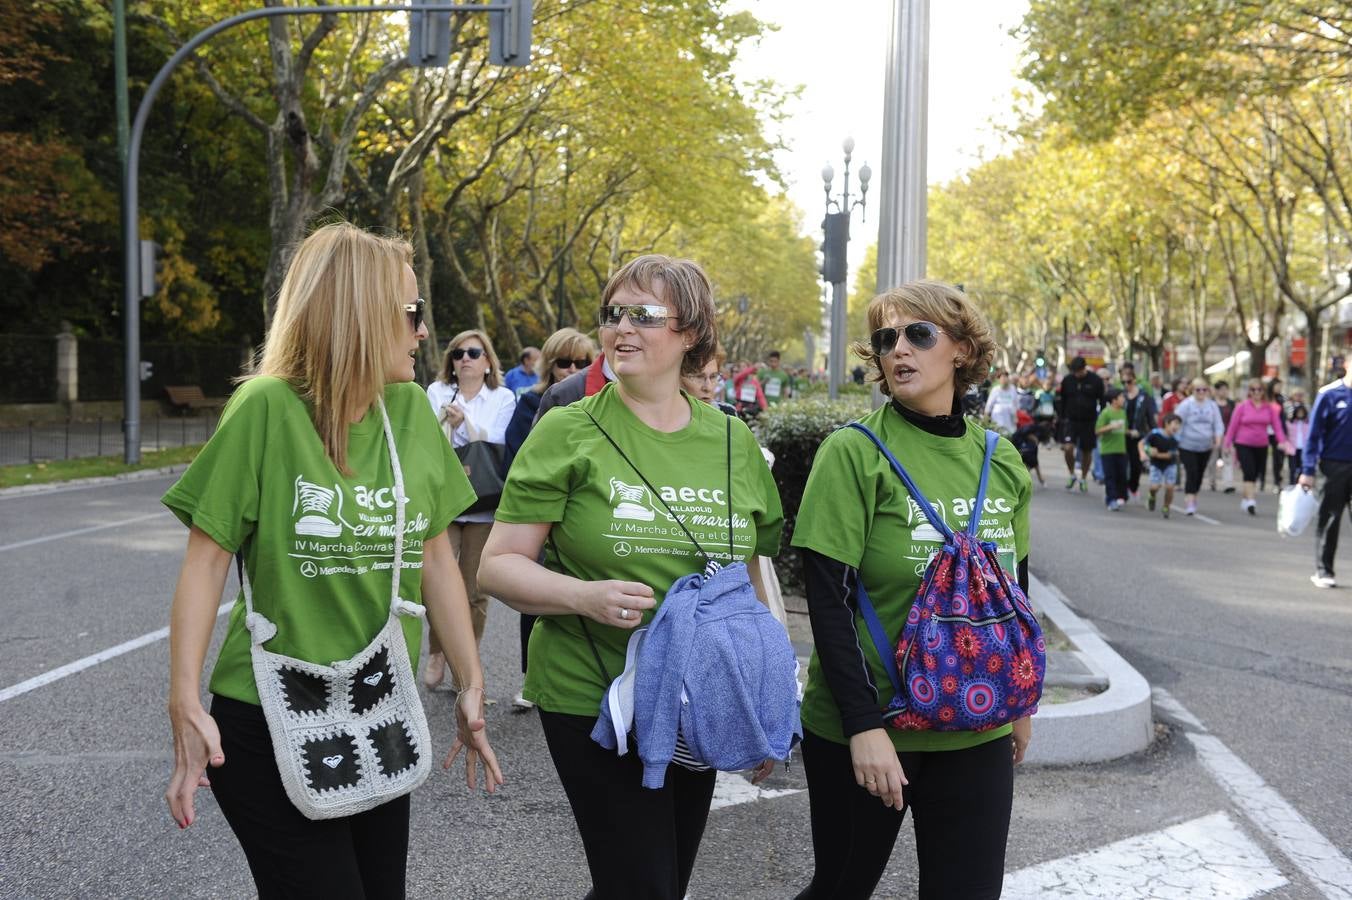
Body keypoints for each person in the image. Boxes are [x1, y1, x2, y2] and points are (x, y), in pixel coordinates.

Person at [161, 223, 501, 895]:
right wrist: (183, 701)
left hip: (380, 707)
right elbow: (204, 564)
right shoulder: (264, 408)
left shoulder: (408, 412)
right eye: (413, 313)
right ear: (360, 313)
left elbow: (436, 557)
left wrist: (470, 681)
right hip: (266, 716)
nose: (424, 333)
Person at [478, 255, 784, 900]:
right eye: (613, 314)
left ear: (690, 333)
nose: (622, 329)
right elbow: (496, 565)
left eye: (643, 315)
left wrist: (762, 699)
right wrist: (581, 596)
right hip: (592, 693)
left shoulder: (732, 443)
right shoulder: (567, 430)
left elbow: (751, 585)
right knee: (642, 885)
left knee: (657, 883)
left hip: (694, 700)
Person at [791, 280, 1032, 900]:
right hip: (871, 723)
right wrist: (863, 726)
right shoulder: (853, 452)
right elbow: (828, 599)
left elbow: (1013, 587)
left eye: (918, 334)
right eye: (885, 338)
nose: (899, 349)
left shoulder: (1001, 459)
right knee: (840, 889)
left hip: (976, 726)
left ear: (960, 348)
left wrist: (1023, 701)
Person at [501, 327, 596, 710]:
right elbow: (518, 460)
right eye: (563, 362)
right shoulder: (534, 403)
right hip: (543, 514)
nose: (571, 368)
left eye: (581, 362)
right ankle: (532, 675)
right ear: (549, 363)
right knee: (537, 591)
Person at [423, 330, 517, 690]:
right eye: (459, 352)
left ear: (488, 361)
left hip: (483, 502)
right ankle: (436, 651)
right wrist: (446, 421)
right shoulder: (436, 392)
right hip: (446, 501)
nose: (465, 358)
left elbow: (498, 439)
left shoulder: (502, 396)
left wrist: (465, 424)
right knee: (434, 581)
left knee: (475, 589)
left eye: (474, 352)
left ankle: (466, 662)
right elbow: (428, 439)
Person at [1299, 371, 1352, 587]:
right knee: (1331, 518)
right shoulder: (1329, 394)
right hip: (1334, 466)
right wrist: (1308, 469)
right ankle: (1324, 571)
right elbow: (1313, 435)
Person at [1223, 378, 1290, 517]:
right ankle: (1251, 501)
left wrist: (1282, 441)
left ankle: (1246, 498)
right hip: (1243, 443)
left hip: (1261, 444)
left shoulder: (1269, 408)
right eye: (1253, 389)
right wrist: (1227, 443)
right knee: (1249, 472)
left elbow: (1277, 426)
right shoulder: (1242, 406)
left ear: (1263, 391)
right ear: (1249, 392)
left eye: (1259, 389)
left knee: (1255, 474)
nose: (1256, 392)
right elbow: (1232, 426)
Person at [1173, 379, 1225, 516]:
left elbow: (1218, 424)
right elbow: (1176, 421)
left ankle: (1194, 494)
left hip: (1205, 446)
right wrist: (1175, 439)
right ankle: (1190, 500)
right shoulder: (1186, 405)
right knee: (1192, 472)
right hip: (1187, 445)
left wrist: (1218, 438)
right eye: (1198, 390)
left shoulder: (1212, 406)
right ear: (1192, 390)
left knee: (1200, 474)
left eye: (1204, 390)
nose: (1201, 392)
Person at [1059, 356, 1105, 492]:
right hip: (1071, 421)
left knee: (1087, 451)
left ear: (1084, 368)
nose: (1076, 374)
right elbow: (1062, 400)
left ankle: (1084, 477)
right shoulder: (1067, 380)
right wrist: (1062, 419)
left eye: (1078, 371)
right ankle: (1072, 474)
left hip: (1089, 421)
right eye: (1074, 371)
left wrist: (1100, 420)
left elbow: (1102, 401)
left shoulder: (1095, 381)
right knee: (1068, 448)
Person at [1120, 362, 1155, 501]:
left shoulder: (1144, 396)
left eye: (1128, 381)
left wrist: (1153, 432)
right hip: (1122, 435)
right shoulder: (1120, 396)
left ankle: (1133, 487)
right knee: (1122, 464)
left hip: (1138, 435)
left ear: (1134, 380)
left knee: (1136, 465)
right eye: (1123, 382)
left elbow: (1150, 416)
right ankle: (1122, 492)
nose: (1126, 385)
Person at [1142, 413, 1183, 518]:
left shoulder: (1176, 439)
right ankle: (1152, 495)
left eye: (1179, 425)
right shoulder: (1155, 434)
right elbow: (1144, 444)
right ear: (1166, 424)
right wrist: (1148, 450)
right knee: (1155, 486)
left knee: (1170, 487)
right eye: (1175, 424)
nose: (1177, 427)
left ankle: (1166, 506)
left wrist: (1156, 454)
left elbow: (1170, 455)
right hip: (1156, 464)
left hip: (1170, 464)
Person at [1096, 388, 1130, 510]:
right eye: (1121, 397)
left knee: (1121, 475)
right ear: (1114, 400)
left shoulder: (1123, 412)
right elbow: (1098, 430)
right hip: (1107, 450)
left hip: (1121, 449)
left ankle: (1120, 496)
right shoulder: (1106, 413)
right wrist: (1111, 426)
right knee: (1110, 476)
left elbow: (1125, 430)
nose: (1123, 399)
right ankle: (1111, 499)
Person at [683, 343, 738, 416]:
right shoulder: (665, 419)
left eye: (713, 377)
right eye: (698, 376)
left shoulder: (728, 415)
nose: (708, 387)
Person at [1210, 380, 1237, 492]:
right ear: (1216, 391)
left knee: (1228, 459)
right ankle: (1212, 481)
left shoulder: (1231, 403)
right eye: (1221, 389)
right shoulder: (1211, 403)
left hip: (1227, 435)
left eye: (1226, 389)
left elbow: (1235, 420)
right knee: (1212, 460)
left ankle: (1228, 484)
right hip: (1213, 435)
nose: (1224, 392)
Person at [984, 369, 1019, 434]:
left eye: (1005, 377)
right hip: (997, 423)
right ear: (999, 380)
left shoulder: (1013, 389)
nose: (1004, 379)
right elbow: (988, 406)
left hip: (1010, 423)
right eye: (1001, 377)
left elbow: (1016, 404)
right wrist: (985, 421)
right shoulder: (995, 390)